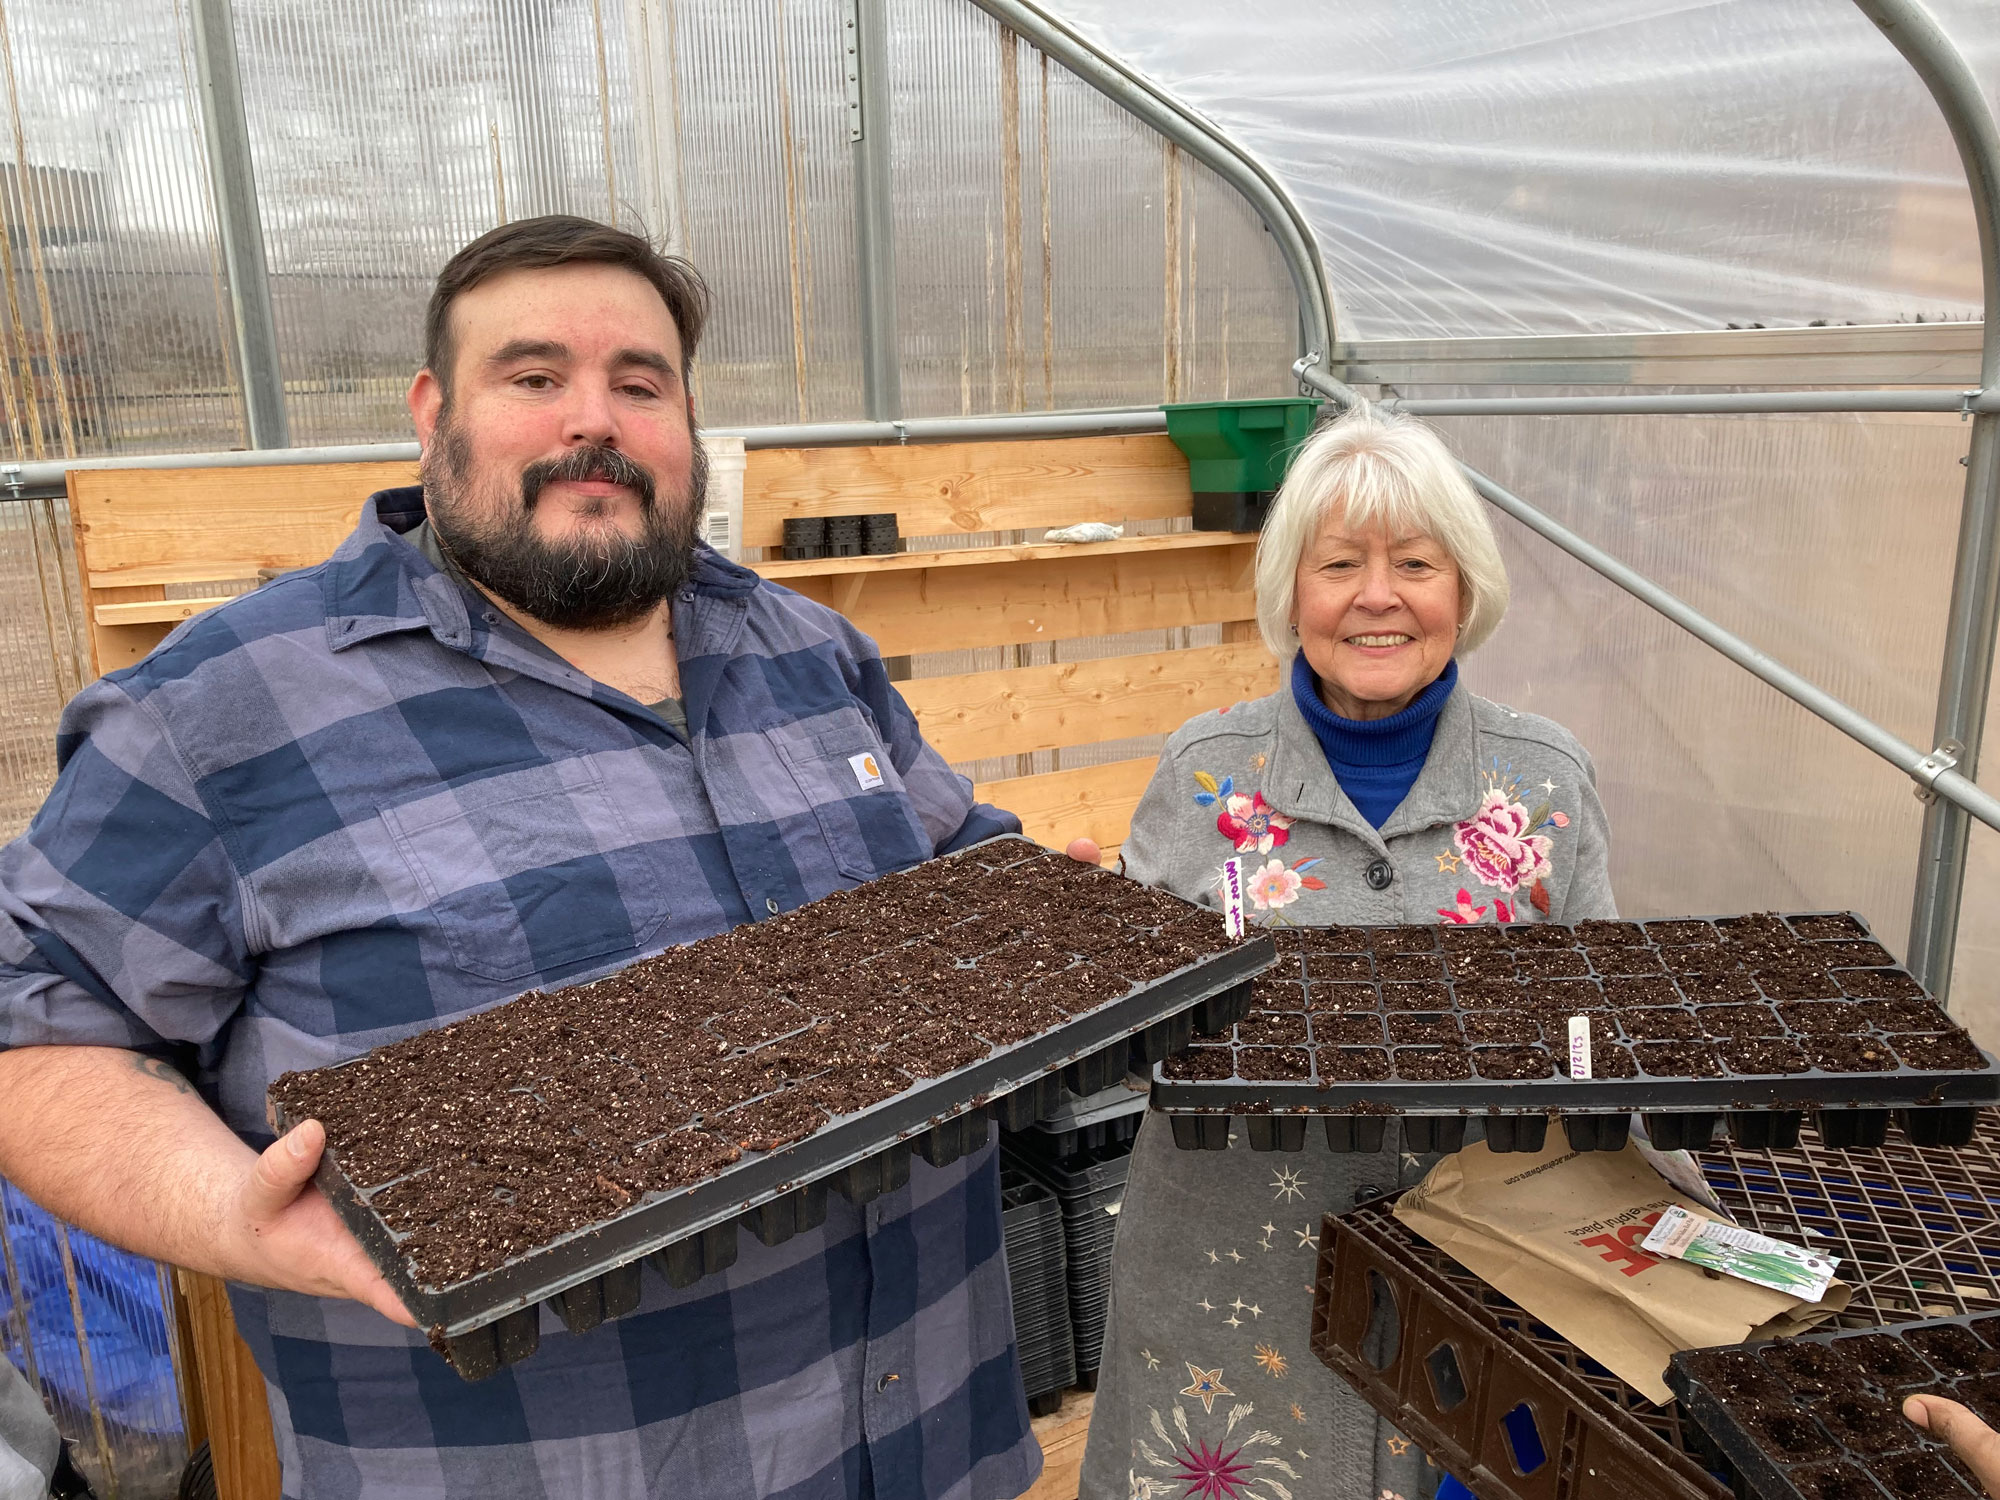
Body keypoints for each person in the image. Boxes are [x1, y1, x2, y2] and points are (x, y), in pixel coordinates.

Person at [0, 216, 1043, 1500]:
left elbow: (954, 870)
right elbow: (36, 1024)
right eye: (534, 377)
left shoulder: (807, 653)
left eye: (638, 383)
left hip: (934, 1440)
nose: (590, 423)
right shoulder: (219, 715)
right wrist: (233, 1215)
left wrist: (1038, 914)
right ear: (434, 410)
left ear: (688, 417)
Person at [1074, 403, 1616, 1500]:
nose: (1377, 595)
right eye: (1338, 564)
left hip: (1471, 1274)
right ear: (1292, 595)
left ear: (1461, 589)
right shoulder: (1203, 772)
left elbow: (1597, 1035)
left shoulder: (1542, 780)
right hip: (1232, 1270)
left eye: (1414, 562)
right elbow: (1136, 1050)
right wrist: (1084, 965)